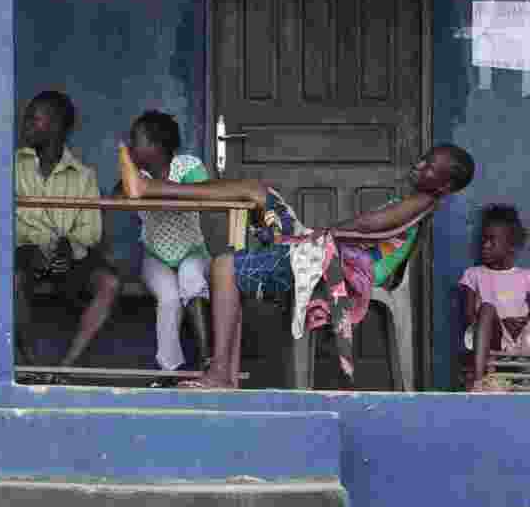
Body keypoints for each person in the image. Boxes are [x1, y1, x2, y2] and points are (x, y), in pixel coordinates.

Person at [118, 142, 475, 389]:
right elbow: (371, 229)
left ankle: (219, 374)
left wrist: (323, 234)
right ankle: (150, 189)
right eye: (424, 159)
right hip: (325, 252)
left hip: (327, 259)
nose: (419, 165)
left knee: (224, 264)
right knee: (258, 194)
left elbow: (370, 226)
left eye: (429, 167)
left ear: (444, 185)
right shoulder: (423, 201)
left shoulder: (419, 201)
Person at [15, 91, 121, 375]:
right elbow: (2, 219)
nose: (24, 125)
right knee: (10, 278)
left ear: (56, 126)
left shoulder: (84, 175)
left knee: (109, 284)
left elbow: (90, 230)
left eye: (33, 120)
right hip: (26, 253)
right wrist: (30, 246)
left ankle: (66, 367)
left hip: (68, 258)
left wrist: (68, 248)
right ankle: (29, 362)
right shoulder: (13, 166)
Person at [122, 111, 212, 384]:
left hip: (192, 249)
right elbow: (121, 194)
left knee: (192, 279)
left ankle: (208, 358)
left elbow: (203, 194)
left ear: (155, 145)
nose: (131, 146)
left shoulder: (188, 166)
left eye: (135, 141)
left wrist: (152, 188)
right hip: (155, 254)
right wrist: (125, 162)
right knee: (169, 298)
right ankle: (168, 369)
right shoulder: (136, 175)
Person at [461, 204, 530, 392]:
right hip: (491, 336)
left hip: (522, 337)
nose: (485, 245)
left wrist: (521, 322)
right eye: (484, 239)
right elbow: (469, 317)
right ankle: (480, 380)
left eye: (492, 240)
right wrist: (499, 322)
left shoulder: (526, 276)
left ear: (510, 246)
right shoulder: (474, 274)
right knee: (487, 308)